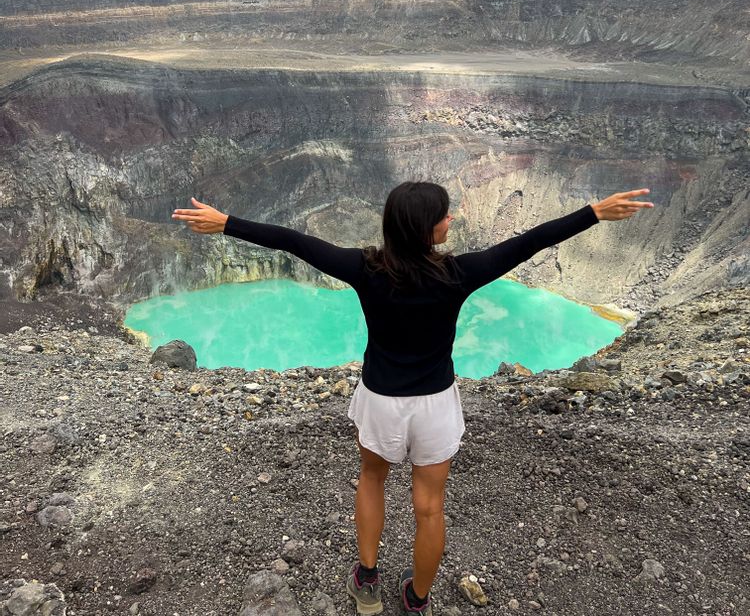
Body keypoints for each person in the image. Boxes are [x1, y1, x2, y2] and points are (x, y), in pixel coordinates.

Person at [172, 183, 654, 614]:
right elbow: (530, 243)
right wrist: (593, 212)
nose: (452, 220)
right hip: (436, 405)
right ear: (426, 227)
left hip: (380, 399)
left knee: (372, 479)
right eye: (445, 215)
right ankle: (417, 599)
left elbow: (294, 242)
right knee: (429, 507)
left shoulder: (364, 268)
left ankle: (366, 581)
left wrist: (226, 224)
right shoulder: (460, 274)